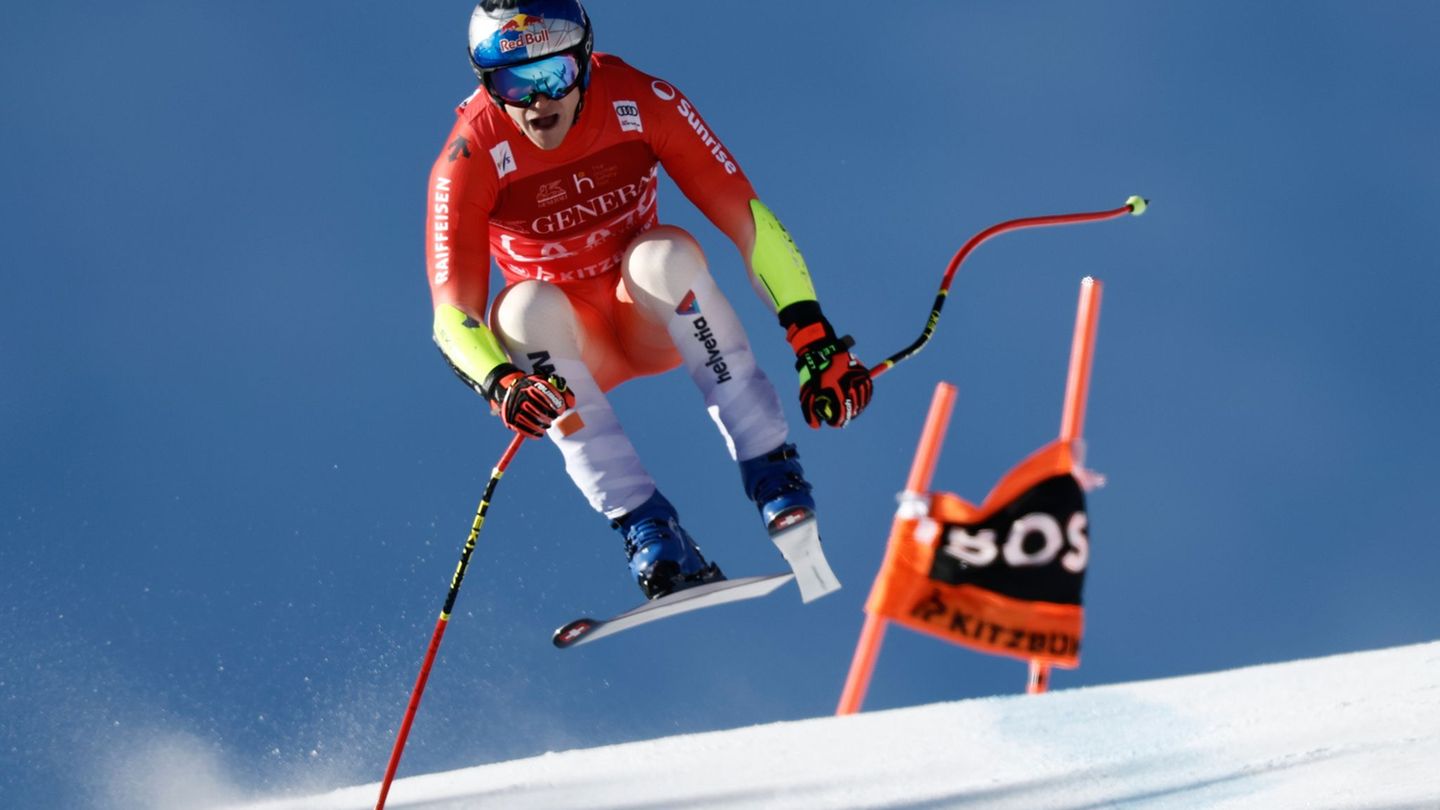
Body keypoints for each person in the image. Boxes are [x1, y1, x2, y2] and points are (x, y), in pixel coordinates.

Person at [424, 0, 874, 601]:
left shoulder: (640, 100)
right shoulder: (470, 154)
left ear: (585, 59)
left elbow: (750, 222)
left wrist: (811, 335)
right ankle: (648, 528)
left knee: (662, 254)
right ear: (486, 84)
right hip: (571, 348)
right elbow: (453, 314)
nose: (537, 102)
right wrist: (500, 382)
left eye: (553, 75)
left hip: (649, 313)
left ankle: (773, 470)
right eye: (512, 84)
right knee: (520, 310)